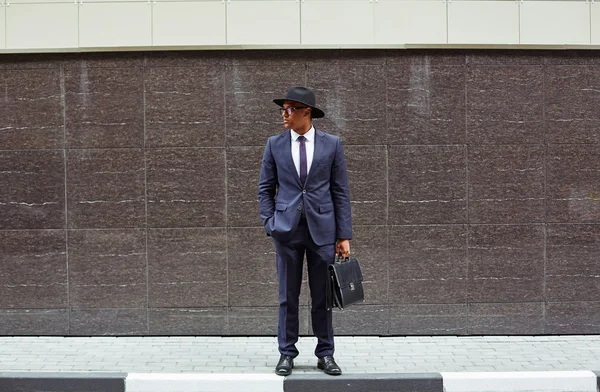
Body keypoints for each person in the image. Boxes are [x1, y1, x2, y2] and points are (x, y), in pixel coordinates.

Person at [257, 86, 352, 377]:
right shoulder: (274, 144)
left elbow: (340, 192)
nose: (283, 115)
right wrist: (270, 223)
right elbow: (264, 189)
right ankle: (287, 353)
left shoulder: (331, 144)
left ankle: (326, 354)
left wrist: (344, 235)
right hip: (286, 232)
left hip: (322, 231)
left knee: (322, 297)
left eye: (289, 109)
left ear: (305, 112)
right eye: (282, 109)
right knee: (288, 296)